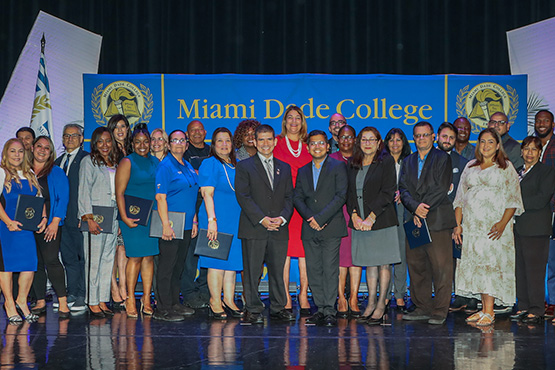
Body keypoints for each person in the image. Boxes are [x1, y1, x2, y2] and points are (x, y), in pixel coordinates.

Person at [452, 128, 523, 326]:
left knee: (491, 266)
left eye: (490, 142)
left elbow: (513, 200)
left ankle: (490, 311)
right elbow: (459, 199)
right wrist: (458, 225)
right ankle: (483, 308)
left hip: (494, 229)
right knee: (478, 267)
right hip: (473, 229)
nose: (486, 145)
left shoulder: (506, 167)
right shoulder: (470, 166)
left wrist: (502, 224)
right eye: (482, 141)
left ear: (498, 145)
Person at [235, 124, 295, 324]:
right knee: (252, 271)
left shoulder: (284, 167)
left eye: (269, 139)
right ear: (255, 142)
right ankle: (252, 308)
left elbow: (289, 197)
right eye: (261, 139)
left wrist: (282, 218)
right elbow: (243, 196)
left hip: (279, 227)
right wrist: (262, 219)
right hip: (254, 227)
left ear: (275, 141)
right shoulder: (244, 166)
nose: (265, 143)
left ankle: (278, 307)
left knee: (277, 271)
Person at [399, 121, 456, 325]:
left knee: (442, 267)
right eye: (417, 136)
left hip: (437, 220)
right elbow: (403, 189)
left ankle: (440, 309)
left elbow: (441, 187)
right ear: (413, 139)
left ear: (433, 137)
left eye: (425, 135)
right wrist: (415, 208)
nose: (421, 139)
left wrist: (422, 208)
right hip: (414, 220)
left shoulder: (442, 158)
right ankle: (422, 306)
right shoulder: (408, 161)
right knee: (417, 266)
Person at [294, 130, 347, 326]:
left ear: (327, 146)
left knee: (330, 268)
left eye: (321, 143)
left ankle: (330, 310)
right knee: (314, 269)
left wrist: (322, 218)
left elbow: (341, 196)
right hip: (309, 227)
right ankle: (320, 308)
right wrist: (310, 217)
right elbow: (297, 197)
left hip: (331, 226)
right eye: (313, 144)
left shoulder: (338, 167)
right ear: (308, 148)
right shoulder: (303, 170)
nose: (317, 147)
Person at [347, 127, 400, 325]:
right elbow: (349, 192)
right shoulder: (353, 163)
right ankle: (369, 303)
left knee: (384, 264)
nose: (367, 143)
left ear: (379, 143)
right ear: (359, 142)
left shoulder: (385, 162)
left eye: (372, 139)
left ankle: (381, 305)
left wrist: (371, 217)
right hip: (360, 222)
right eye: (364, 139)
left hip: (381, 220)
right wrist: (354, 215)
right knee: (370, 263)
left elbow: (388, 192)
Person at [198, 128, 243, 319]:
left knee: (232, 263)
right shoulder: (209, 164)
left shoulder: (237, 165)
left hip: (235, 219)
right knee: (216, 262)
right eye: (219, 141)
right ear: (213, 144)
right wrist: (212, 221)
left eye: (227, 141)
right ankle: (215, 301)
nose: (224, 145)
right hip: (216, 218)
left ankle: (229, 300)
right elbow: (207, 194)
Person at [154, 129, 198, 322]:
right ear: (169, 144)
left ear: (187, 144)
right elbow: (160, 197)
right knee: (166, 267)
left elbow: (192, 195)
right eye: (175, 140)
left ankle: (174, 303)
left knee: (178, 266)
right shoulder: (166, 166)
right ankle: (162, 308)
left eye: (182, 140)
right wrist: (165, 224)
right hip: (171, 224)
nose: (179, 143)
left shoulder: (187, 165)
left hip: (186, 225)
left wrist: (194, 220)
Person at [115, 124, 159, 318]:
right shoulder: (127, 162)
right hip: (132, 217)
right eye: (138, 142)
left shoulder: (156, 162)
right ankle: (130, 298)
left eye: (146, 141)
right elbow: (119, 193)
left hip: (152, 217)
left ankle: (146, 299)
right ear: (132, 143)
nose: (142, 145)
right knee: (135, 258)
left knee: (149, 258)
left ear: (150, 143)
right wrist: (124, 217)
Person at [0, 138, 46, 322]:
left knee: (29, 265)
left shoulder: (30, 173)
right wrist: (9, 222)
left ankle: (22, 300)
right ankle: (9, 303)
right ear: (6, 153)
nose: (17, 155)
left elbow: (38, 199)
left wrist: (43, 218)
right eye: (13, 151)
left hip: (26, 229)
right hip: (6, 228)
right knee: (7, 267)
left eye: (20, 151)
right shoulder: (2, 172)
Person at [273, 105, 312, 314]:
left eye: (298, 118)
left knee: (305, 253)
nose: (294, 122)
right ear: (285, 121)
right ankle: (285, 295)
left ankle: (304, 294)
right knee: (284, 253)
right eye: (290, 118)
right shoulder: (276, 144)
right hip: (283, 206)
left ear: (303, 121)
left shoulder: (309, 145)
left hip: (305, 206)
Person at [512, 136, 555, 325]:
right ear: (521, 151)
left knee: (535, 271)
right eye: (526, 149)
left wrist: (514, 206)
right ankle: (523, 305)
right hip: (518, 228)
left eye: (534, 150)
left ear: (540, 153)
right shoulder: (515, 172)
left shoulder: (547, 172)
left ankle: (537, 308)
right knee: (520, 269)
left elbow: (542, 198)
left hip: (537, 229)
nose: (529, 153)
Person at [78, 127, 120, 318]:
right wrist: (88, 217)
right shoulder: (88, 161)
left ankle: (103, 299)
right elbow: (83, 190)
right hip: (95, 216)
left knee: (107, 260)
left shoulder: (117, 162)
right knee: (93, 261)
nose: (105, 145)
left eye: (108, 141)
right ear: (94, 143)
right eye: (100, 141)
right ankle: (91, 301)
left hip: (113, 214)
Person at [29, 136, 70, 317]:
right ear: (32, 148)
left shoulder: (56, 172)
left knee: (52, 261)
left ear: (51, 151)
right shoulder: (24, 170)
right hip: (27, 225)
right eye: (39, 146)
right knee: (35, 263)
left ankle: (62, 302)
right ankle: (39, 300)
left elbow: (63, 198)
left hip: (50, 224)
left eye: (47, 147)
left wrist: (54, 222)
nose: (43, 150)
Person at [55, 123, 89, 312]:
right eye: (66, 136)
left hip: (79, 217)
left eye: (74, 136)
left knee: (83, 258)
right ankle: (73, 292)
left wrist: (84, 214)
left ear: (81, 138)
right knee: (68, 258)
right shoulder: (57, 162)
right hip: (61, 220)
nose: (69, 139)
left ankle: (83, 295)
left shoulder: (88, 159)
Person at [330, 125, 362, 318]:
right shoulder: (330, 160)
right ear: (337, 140)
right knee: (342, 258)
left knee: (356, 256)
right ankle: (341, 297)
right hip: (337, 213)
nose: (346, 141)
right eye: (342, 137)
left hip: (359, 213)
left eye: (350, 137)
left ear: (355, 139)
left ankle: (354, 298)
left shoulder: (361, 158)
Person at [182, 120, 210, 309]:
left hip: (210, 210)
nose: (197, 133)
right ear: (187, 134)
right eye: (193, 130)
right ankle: (189, 293)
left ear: (205, 132)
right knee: (189, 257)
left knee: (210, 253)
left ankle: (205, 291)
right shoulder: (181, 154)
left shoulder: (212, 152)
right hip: (190, 209)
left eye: (200, 129)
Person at [384, 128, 412, 313]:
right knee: (385, 256)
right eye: (391, 140)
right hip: (385, 212)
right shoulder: (380, 163)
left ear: (404, 143)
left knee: (401, 255)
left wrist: (404, 194)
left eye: (398, 140)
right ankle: (385, 296)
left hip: (404, 211)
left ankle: (400, 295)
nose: (395, 143)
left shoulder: (410, 162)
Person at [107, 114, 132, 310]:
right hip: (110, 205)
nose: (120, 130)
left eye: (123, 126)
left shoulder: (134, 149)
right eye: (116, 127)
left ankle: (123, 286)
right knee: (111, 249)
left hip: (130, 204)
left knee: (123, 248)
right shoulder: (107, 152)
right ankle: (113, 288)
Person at [534, 109, 555, 320]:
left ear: (553, 124)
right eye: (539, 121)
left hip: (553, 208)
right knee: (541, 258)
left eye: (546, 121)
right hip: (538, 213)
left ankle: (553, 302)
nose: (541, 124)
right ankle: (542, 301)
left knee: (554, 259)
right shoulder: (533, 147)